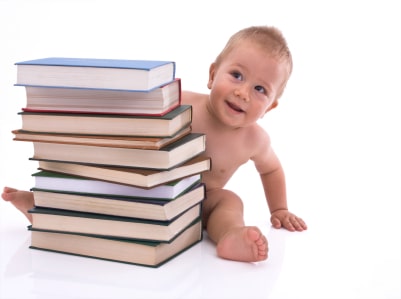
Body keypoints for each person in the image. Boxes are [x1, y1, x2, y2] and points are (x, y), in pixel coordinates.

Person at [2, 25, 307, 263]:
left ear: (271, 107)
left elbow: (271, 170)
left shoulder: (255, 139)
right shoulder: (180, 103)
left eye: (259, 89)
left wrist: (279, 208)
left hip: (200, 202)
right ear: (213, 74)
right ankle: (43, 206)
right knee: (105, 188)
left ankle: (230, 236)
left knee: (229, 200)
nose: (243, 93)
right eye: (236, 75)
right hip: (146, 189)